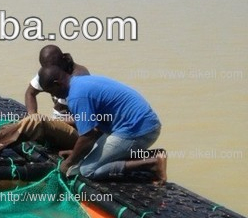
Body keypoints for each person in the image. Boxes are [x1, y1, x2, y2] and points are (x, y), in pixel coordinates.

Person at [38, 65, 167, 182]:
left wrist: (69, 162)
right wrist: (75, 153)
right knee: (86, 159)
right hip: (139, 123)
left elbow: (88, 136)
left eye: (51, 92)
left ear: (57, 84)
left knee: (87, 170)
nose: (54, 96)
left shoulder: (76, 97)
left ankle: (152, 164)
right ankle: (151, 155)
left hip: (138, 130)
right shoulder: (80, 81)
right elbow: (94, 128)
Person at [24, 45, 89, 120]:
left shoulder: (80, 77)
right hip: (57, 119)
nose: (50, 71)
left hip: (76, 123)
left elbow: (85, 118)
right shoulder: (49, 71)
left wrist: (51, 122)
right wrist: (33, 115)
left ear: (63, 60)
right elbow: (30, 93)